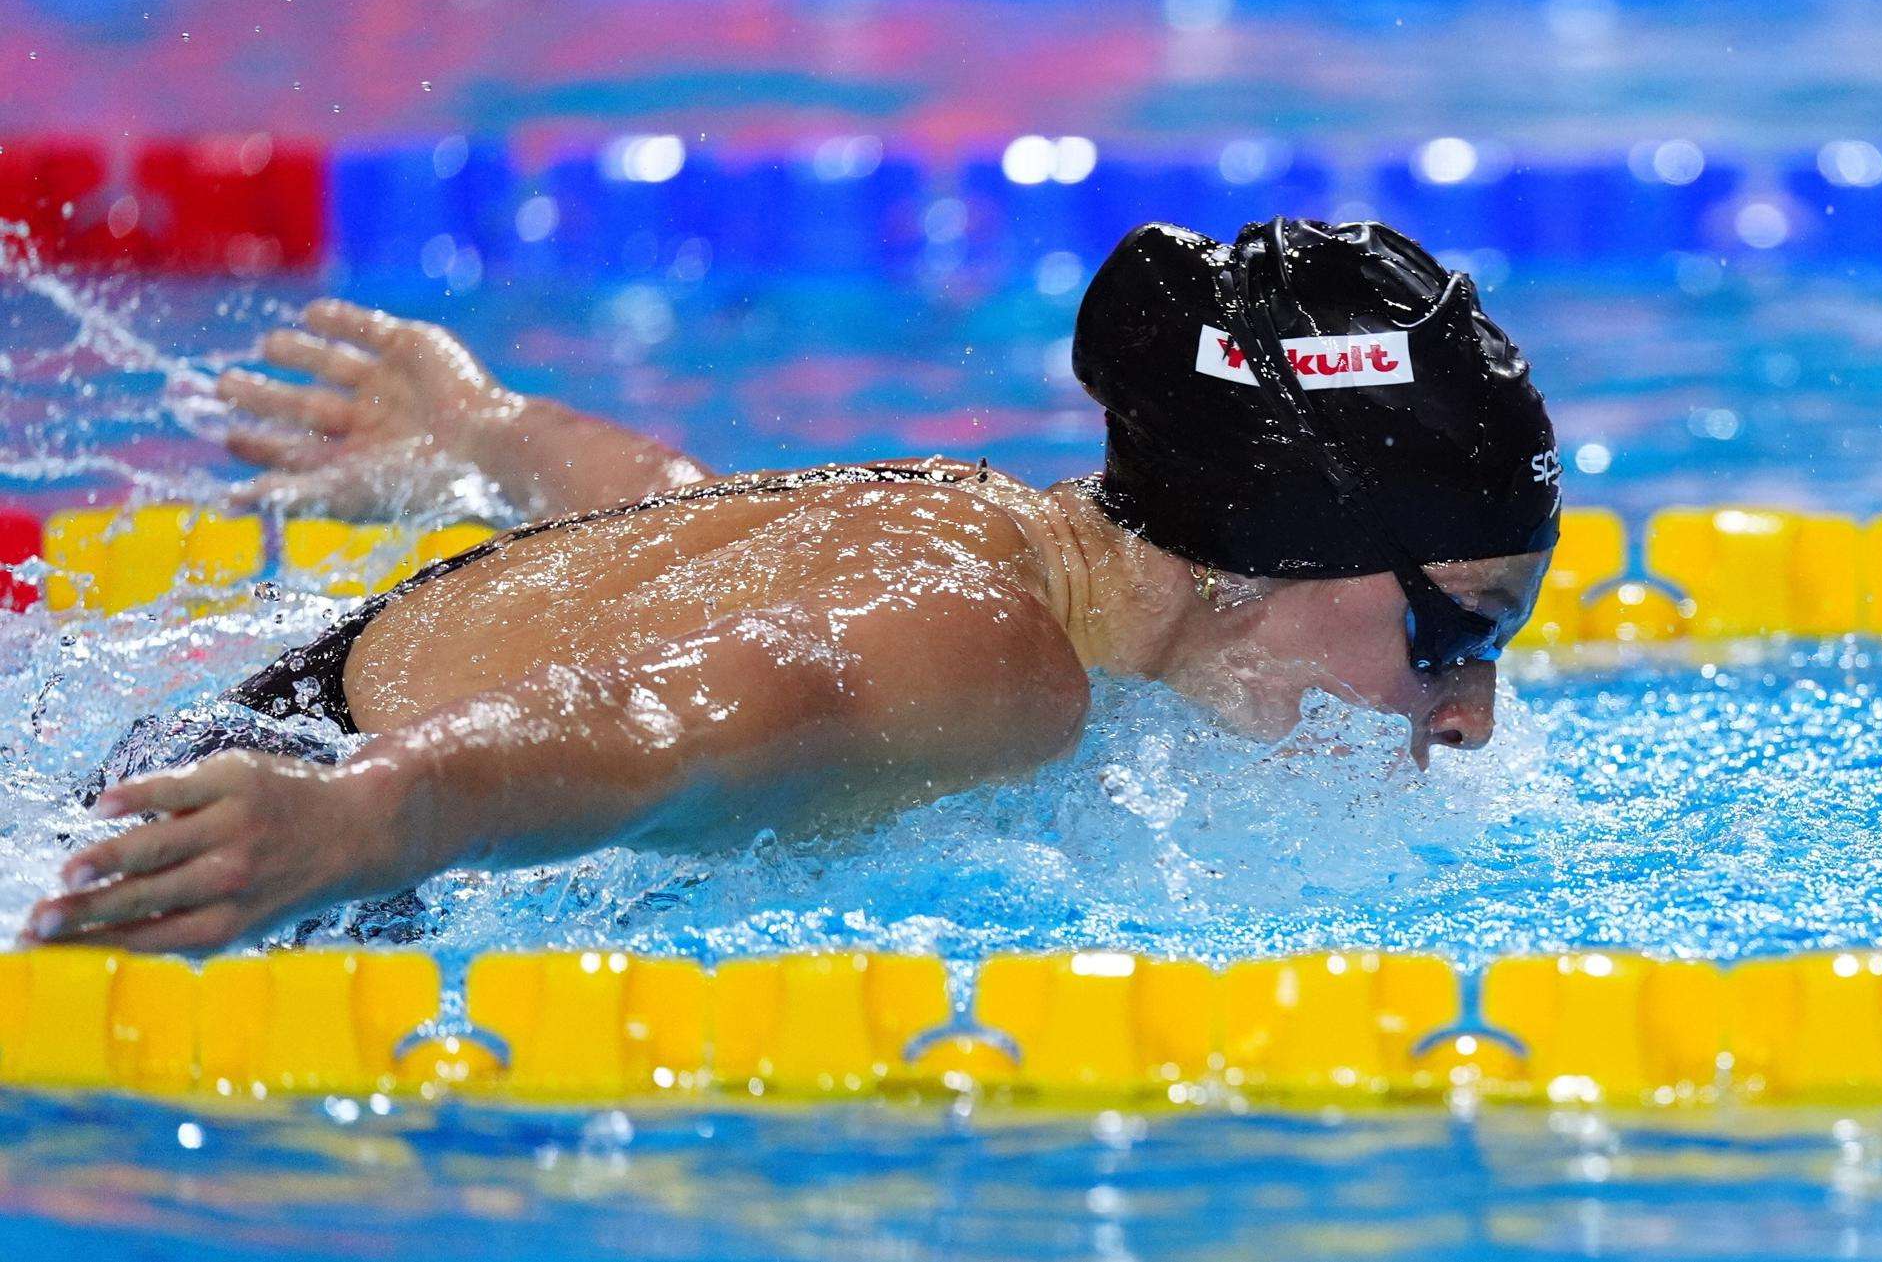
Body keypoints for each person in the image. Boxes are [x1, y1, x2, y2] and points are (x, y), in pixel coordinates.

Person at [25, 216, 1559, 954]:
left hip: (246, 770)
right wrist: (375, 820)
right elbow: (661, 716)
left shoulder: (972, 523)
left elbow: (677, 511)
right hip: (290, 846)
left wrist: (485, 433)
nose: (1470, 708)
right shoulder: (998, 660)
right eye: (1452, 629)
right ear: (1282, 542)